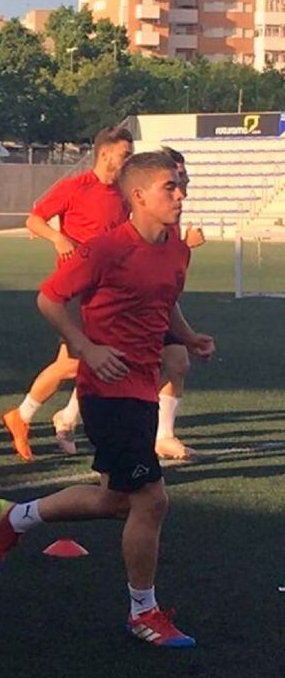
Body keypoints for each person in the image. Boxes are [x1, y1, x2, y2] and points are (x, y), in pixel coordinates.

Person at [0, 151, 214, 648]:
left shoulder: (177, 248)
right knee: (152, 500)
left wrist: (189, 336)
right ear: (138, 196)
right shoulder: (107, 249)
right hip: (108, 390)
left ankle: (16, 517)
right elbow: (49, 298)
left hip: (141, 385)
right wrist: (87, 347)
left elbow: (166, 297)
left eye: (183, 186)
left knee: (116, 500)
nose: (180, 195)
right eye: (169, 188)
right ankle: (143, 613)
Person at [1, 127, 133, 461]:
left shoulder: (123, 194)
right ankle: (25, 415)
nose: (128, 160)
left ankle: (63, 418)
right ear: (105, 154)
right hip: (73, 288)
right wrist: (58, 238)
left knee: (96, 358)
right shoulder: (75, 187)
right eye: (125, 154)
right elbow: (34, 220)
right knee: (75, 361)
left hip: (106, 290)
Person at [155, 147, 204, 460]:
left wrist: (187, 334)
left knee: (178, 362)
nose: (183, 182)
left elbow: (167, 279)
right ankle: (65, 415)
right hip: (135, 310)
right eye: (177, 176)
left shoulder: (172, 218)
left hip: (161, 304)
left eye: (184, 176)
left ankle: (163, 435)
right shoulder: (150, 216)